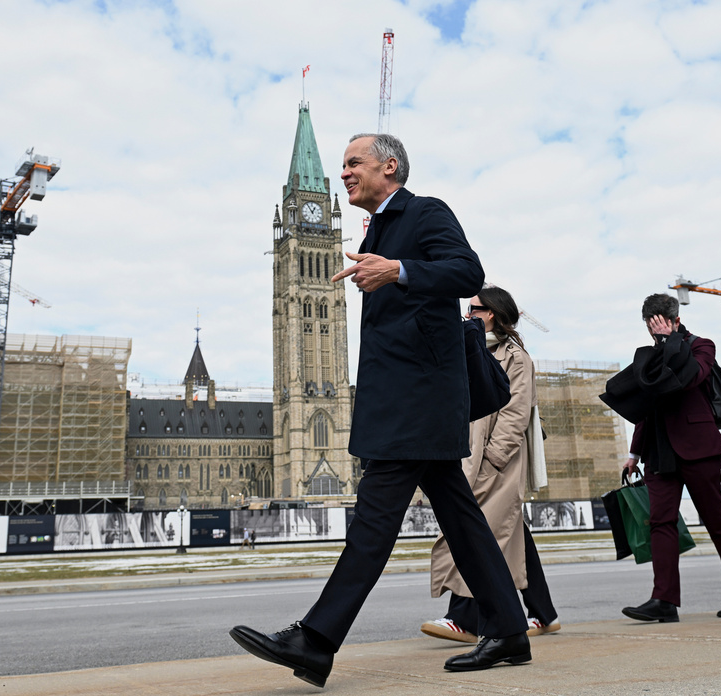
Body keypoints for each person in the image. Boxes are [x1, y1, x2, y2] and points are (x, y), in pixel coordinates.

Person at [229, 133, 529, 687]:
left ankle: (316, 640)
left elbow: (466, 272)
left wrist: (397, 271)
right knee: (463, 522)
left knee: (373, 521)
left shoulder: (424, 212)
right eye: (340, 166)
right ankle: (509, 629)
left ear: (389, 168)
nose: (345, 173)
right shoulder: (380, 229)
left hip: (418, 402)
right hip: (405, 400)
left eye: (353, 163)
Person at [422, 287, 560, 644]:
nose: (467, 315)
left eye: (473, 309)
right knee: (508, 532)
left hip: (496, 463)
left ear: (492, 314)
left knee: (479, 536)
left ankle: (464, 619)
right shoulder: (471, 348)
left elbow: (516, 414)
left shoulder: (516, 357)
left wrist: (494, 460)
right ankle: (543, 613)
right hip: (469, 458)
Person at [619, 294, 721, 623]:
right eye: (651, 330)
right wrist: (634, 453)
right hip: (659, 450)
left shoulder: (701, 346)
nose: (654, 335)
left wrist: (668, 342)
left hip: (698, 446)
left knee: (716, 521)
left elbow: (690, 377)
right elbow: (644, 407)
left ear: (675, 321)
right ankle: (664, 600)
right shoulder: (648, 355)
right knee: (660, 523)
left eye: (660, 327)